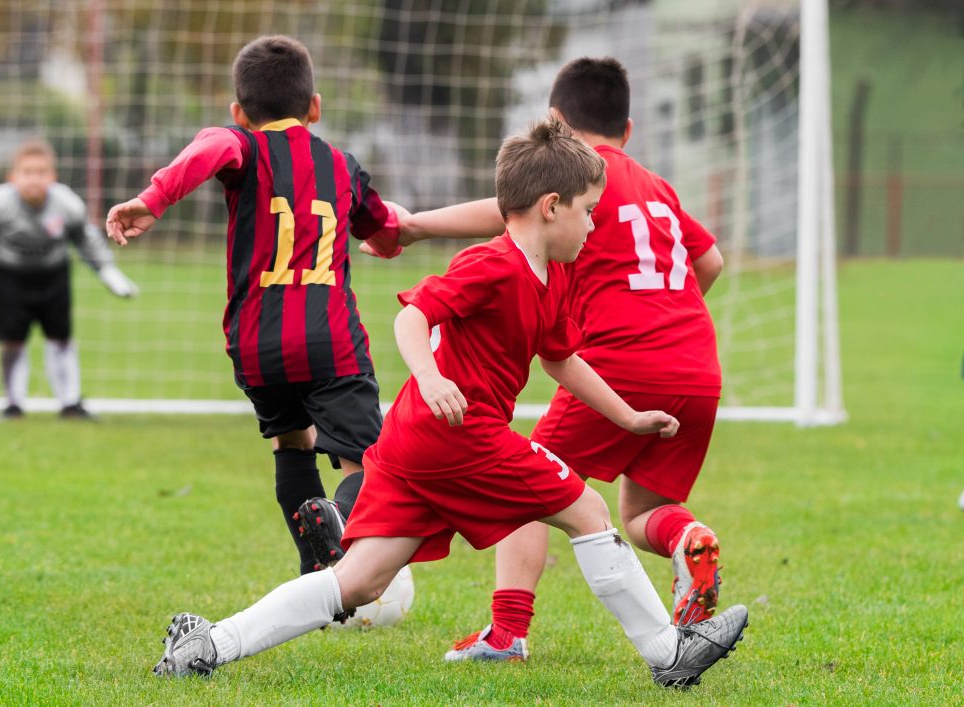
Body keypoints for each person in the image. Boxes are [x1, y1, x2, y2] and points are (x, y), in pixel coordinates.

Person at [150, 119, 747, 689]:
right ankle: (668, 653)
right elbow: (413, 316)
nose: (594, 226)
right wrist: (433, 377)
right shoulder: (492, 263)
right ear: (551, 207)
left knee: (358, 580)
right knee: (588, 510)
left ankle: (209, 645)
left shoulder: (556, 274)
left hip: (415, 442)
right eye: (589, 212)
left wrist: (629, 416)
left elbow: (561, 359)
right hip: (458, 433)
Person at [390, 57, 729, 662]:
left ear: (556, 124)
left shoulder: (582, 182)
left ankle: (507, 633)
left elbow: (507, 212)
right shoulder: (658, 186)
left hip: (619, 359)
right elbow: (712, 263)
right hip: (699, 366)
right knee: (643, 511)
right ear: (628, 129)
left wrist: (414, 227)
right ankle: (689, 538)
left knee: (528, 482)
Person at [105, 35, 402, 579]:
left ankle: (316, 566)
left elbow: (211, 148)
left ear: (239, 112)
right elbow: (384, 229)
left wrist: (153, 199)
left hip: (256, 346)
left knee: (293, 442)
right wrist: (385, 240)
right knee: (375, 463)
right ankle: (335, 520)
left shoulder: (240, 145)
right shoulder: (343, 167)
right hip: (329, 340)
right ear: (315, 107)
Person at [0, 138, 138, 419]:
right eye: (27, 172)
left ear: (52, 177)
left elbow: (86, 239)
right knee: (12, 340)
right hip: (9, 277)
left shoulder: (67, 204)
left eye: (41, 173)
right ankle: (13, 404)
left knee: (61, 338)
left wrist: (108, 272)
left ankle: (70, 402)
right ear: (13, 177)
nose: (34, 179)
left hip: (53, 276)